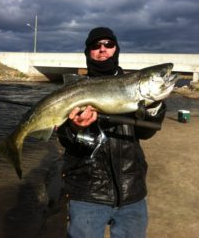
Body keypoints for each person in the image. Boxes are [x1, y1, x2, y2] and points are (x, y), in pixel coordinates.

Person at [57, 27, 166, 238]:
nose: (102, 50)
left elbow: (145, 134)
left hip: (132, 190)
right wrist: (75, 128)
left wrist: (154, 106)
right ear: (88, 52)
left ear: (116, 49)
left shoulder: (134, 84)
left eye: (108, 45)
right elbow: (65, 140)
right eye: (96, 46)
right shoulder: (74, 90)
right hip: (87, 192)